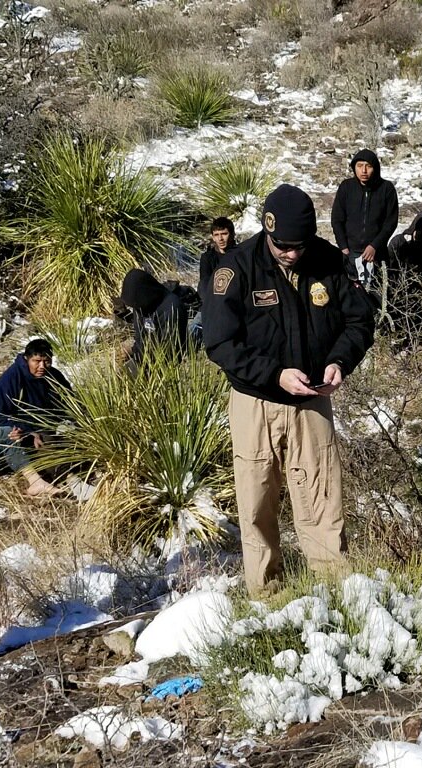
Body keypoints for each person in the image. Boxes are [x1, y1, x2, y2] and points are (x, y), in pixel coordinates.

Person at [202, 183, 375, 595]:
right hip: (255, 402)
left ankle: (334, 593)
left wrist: (339, 362)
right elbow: (219, 343)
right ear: (267, 231)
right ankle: (267, 594)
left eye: (299, 246)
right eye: (283, 246)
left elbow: (359, 321)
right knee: (257, 501)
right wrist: (274, 375)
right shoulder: (236, 269)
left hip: (313, 401)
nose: (292, 254)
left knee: (322, 498)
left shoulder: (328, 260)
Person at [0, 338, 71, 495]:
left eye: (46, 361)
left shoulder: (54, 376)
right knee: (44, 449)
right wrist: (25, 431)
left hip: (50, 426)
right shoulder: (9, 381)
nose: (42, 366)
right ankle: (67, 481)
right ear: (26, 359)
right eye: (37, 361)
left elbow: (70, 402)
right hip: (26, 433)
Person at [330, 149, 399, 292]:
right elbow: (337, 219)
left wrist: (374, 246)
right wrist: (343, 247)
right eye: (360, 166)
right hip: (350, 253)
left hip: (377, 254)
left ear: (375, 168)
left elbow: (390, 222)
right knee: (350, 295)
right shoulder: (346, 187)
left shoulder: (386, 189)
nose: (364, 171)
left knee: (377, 295)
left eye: (368, 166)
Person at [119, 268, 188, 364]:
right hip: (146, 357)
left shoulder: (172, 308)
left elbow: (171, 349)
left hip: (166, 362)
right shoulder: (139, 305)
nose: (135, 309)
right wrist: (134, 353)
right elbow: (140, 338)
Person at [387, 211, 422, 284]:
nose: (420, 234)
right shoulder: (399, 242)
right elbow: (389, 268)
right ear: (413, 229)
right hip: (399, 284)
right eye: (418, 230)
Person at [198, 217, 237, 302]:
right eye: (216, 235)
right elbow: (205, 283)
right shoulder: (207, 258)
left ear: (233, 234)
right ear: (213, 237)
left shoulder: (241, 255)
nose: (220, 239)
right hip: (214, 299)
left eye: (224, 234)